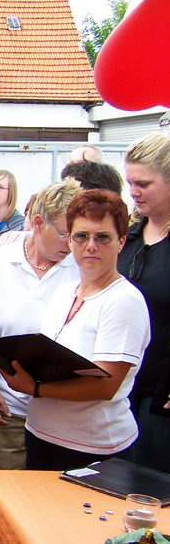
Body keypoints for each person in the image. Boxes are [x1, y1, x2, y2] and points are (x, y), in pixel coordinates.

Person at [0, 189, 149, 470]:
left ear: (121, 242)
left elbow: (106, 385)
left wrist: (36, 388)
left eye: (102, 237)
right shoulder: (67, 291)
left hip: (91, 446)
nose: (91, 245)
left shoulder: (124, 300)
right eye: (80, 236)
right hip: (42, 434)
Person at [0, 179, 81, 469]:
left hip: (65, 411)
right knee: (9, 494)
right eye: (65, 234)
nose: (71, 244)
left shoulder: (82, 267)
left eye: (76, 235)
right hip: (10, 408)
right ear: (38, 223)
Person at [118, 133, 170, 473]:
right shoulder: (128, 236)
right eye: (130, 182)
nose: (133, 191)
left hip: (161, 397)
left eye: (143, 183)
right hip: (119, 392)